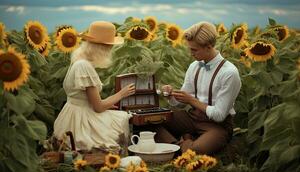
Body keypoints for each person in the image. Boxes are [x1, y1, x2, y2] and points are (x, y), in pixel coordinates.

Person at [155, 21, 241, 155]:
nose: (191, 54)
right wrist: (171, 95)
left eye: (194, 50)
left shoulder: (229, 73)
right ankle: (180, 146)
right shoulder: (194, 66)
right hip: (192, 118)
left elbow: (219, 115)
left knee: (197, 151)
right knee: (150, 122)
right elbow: (179, 104)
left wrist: (192, 101)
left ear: (209, 46)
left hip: (217, 126)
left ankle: (182, 144)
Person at [53, 21, 135, 153]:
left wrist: (108, 103)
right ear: (101, 47)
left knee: (114, 115)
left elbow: (86, 99)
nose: (110, 50)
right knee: (121, 118)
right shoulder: (84, 66)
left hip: (72, 115)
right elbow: (98, 107)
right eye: (109, 47)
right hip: (81, 120)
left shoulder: (79, 61)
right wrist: (121, 94)